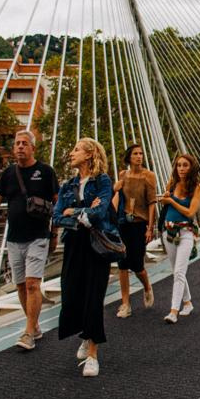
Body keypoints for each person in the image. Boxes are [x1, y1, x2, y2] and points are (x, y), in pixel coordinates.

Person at [0, 127, 57, 352]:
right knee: (20, 285)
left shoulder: (46, 172)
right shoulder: (9, 174)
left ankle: (29, 331)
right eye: (17, 143)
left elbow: (57, 203)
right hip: (14, 238)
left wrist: (55, 233)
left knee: (32, 284)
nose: (20, 146)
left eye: (24, 143)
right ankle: (35, 325)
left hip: (38, 236)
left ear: (32, 148)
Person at [54, 137, 118, 377]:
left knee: (93, 296)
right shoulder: (67, 185)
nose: (71, 153)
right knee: (71, 294)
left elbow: (100, 213)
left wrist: (76, 212)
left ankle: (93, 354)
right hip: (73, 244)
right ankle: (86, 333)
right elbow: (57, 216)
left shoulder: (102, 181)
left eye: (76, 149)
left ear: (90, 155)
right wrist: (83, 213)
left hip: (96, 245)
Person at [156, 151, 200, 323]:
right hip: (168, 232)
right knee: (177, 272)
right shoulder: (172, 183)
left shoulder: (197, 187)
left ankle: (173, 312)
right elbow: (166, 203)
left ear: (191, 167)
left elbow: (190, 212)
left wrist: (172, 202)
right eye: (178, 165)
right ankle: (188, 303)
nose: (181, 168)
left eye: (185, 165)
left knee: (179, 271)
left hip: (186, 233)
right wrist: (166, 198)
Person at [111, 143, 157, 318]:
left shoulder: (149, 176)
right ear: (129, 157)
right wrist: (114, 189)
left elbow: (152, 202)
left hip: (139, 223)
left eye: (141, 154)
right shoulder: (123, 175)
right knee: (122, 264)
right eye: (135, 153)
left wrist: (150, 227)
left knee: (137, 265)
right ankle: (125, 304)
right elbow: (118, 197)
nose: (139, 156)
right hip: (123, 222)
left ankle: (147, 287)